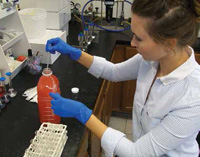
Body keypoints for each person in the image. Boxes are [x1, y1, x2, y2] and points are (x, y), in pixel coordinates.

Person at [46, 0, 200, 156]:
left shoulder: (192, 98)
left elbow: (136, 153)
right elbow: (113, 72)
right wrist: (74, 53)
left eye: (139, 38)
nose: (132, 43)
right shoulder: (152, 61)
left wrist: (82, 113)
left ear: (169, 44)